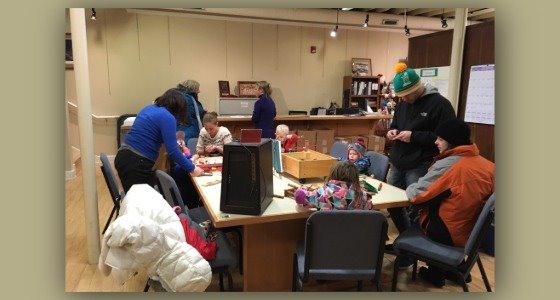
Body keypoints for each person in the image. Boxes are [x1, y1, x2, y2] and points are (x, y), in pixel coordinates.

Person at [404, 118, 495, 287]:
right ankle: (457, 269)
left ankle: (436, 271)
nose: (436, 141)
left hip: (447, 232)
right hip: (473, 235)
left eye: (440, 139)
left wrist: (411, 187)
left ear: (452, 141)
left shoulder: (453, 167)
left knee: (419, 213)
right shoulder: (490, 166)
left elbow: (417, 195)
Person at [385, 63, 456, 269]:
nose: (404, 100)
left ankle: (411, 250)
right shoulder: (403, 103)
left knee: (415, 208)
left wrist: (414, 136)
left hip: (420, 164)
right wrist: (393, 131)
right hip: (398, 161)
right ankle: (405, 245)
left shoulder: (440, 105)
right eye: (401, 97)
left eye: (407, 95)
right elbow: (395, 123)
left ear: (417, 88)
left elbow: (444, 138)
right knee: (394, 204)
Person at [115, 89, 204, 193]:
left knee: (134, 202)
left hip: (123, 157)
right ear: (178, 107)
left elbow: (152, 133)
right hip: (137, 163)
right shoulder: (168, 117)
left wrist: (174, 137)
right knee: (142, 206)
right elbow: (173, 151)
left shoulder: (148, 108)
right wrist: (192, 168)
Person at [294, 161, 373, 211]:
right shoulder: (363, 196)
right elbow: (370, 208)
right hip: (353, 236)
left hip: (327, 235)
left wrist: (302, 188)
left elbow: (300, 196)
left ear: (333, 174)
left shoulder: (323, 193)